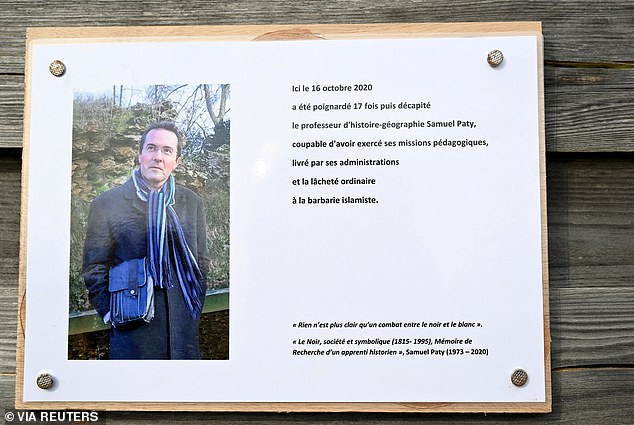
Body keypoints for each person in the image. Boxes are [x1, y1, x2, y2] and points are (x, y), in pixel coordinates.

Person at [82, 121, 209, 359]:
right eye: (151, 148)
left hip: (183, 331)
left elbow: (201, 261)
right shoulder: (107, 204)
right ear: (140, 155)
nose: (158, 157)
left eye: (167, 151)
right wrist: (112, 313)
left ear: (176, 162)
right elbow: (94, 267)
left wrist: (194, 309)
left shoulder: (192, 203)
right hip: (133, 331)